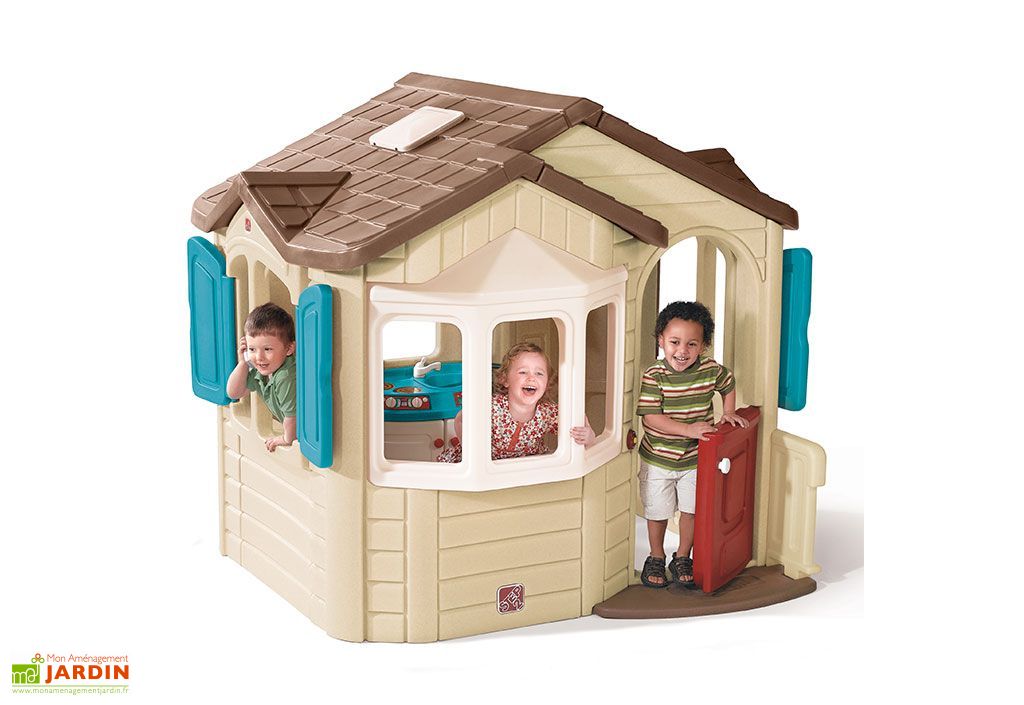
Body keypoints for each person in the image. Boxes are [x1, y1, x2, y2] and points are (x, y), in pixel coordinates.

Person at [636, 301, 749, 588]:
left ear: (703, 346)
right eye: (674, 342)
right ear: (661, 341)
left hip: (696, 458)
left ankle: (683, 556)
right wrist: (688, 429)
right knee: (657, 511)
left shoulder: (709, 370)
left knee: (692, 510)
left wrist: (729, 412)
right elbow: (651, 417)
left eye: (692, 344)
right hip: (659, 458)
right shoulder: (655, 375)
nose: (682, 351)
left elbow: (728, 382)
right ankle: (656, 555)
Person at [437, 342, 595, 463]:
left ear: (547, 383)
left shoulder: (548, 413)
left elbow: (575, 424)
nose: (531, 378)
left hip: (521, 470)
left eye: (539, 373)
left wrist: (588, 436)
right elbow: (461, 419)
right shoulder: (493, 407)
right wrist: (472, 452)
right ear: (505, 379)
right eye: (523, 372)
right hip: (486, 466)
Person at [226, 303, 297, 453]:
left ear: (289, 349)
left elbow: (293, 416)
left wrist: (286, 439)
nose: (259, 357)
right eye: (252, 349)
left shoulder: (285, 376)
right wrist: (243, 363)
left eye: (267, 349)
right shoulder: (261, 371)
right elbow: (234, 392)